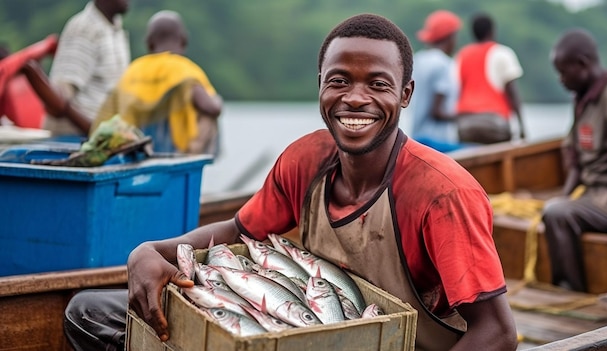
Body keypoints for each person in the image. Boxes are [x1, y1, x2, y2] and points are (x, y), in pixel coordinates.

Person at [63, 13, 517, 351]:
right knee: (89, 312)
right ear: (320, 84)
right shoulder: (307, 158)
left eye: (378, 84)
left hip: (394, 342)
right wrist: (152, 251)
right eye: (339, 80)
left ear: (405, 94)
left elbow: (496, 332)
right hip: (300, 332)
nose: (355, 98)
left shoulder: (441, 193)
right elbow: (240, 234)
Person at [542, 28, 607, 292]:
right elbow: (577, 162)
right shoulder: (582, 100)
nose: (561, 79)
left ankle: (570, 290)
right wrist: (565, 196)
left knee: (558, 214)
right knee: (554, 208)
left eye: (564, 72)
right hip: (592, 194)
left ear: (583, 63)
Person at [91, 10, 223, 154]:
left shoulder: (133, 70)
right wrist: (217, 103)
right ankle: (193, 155)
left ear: (149, 43)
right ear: (183, 40)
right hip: (176, 152)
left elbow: (108, 111)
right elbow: (210, 108)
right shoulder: (185, 69)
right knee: (214, 102)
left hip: (133, 149)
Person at [42, 0, 131, 137]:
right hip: (75, 140)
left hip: (103, 137)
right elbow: (61, 97)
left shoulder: (116, 29)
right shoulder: (84, 29)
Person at [455, 12, 525, 144]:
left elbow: (456, 90)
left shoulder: (461, 55)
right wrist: (522, 127)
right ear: (492, 31)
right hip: (495, 124)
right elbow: (512, 92)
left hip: (465, 125)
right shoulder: (503, 53)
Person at [408, 10, 466, 153]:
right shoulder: (444, 64)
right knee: (479, 150)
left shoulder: (418, 59)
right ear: (450, 37)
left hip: (417, 138)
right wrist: (467, 116)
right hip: (436, 141)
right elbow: (437, 112)